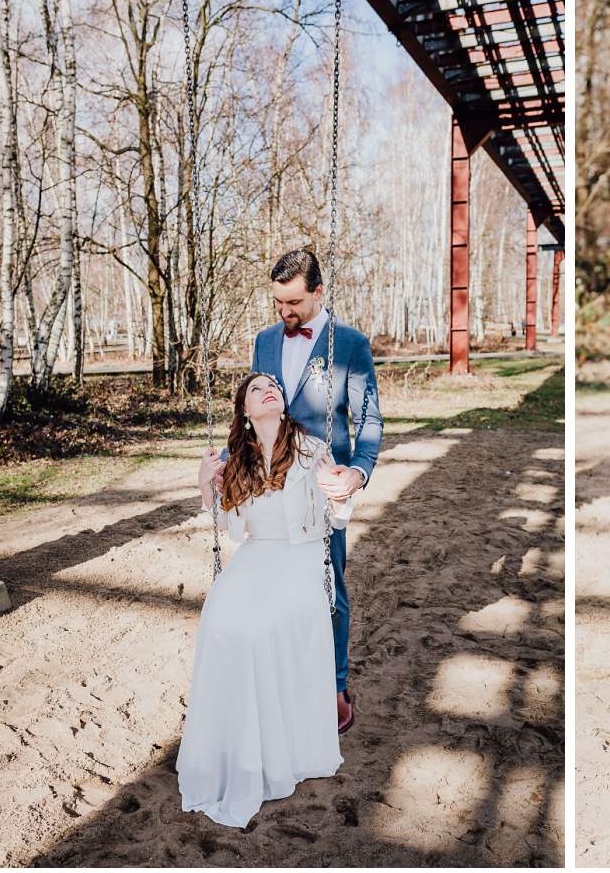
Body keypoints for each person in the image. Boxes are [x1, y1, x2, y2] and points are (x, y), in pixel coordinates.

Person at [178, 373, 352, 828]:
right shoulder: (237, 460)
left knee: (257, 633)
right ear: (245, 412)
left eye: (272, 385)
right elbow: (228, 522)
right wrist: (204, 485)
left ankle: (273, 754)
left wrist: (343, 489)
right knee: (218, 623)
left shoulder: (312, 449)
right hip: (257, 555)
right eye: (256, 390)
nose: (267, 390)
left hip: (302, 557)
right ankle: (229, 749)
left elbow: (336, 513)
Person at [248, 249, 383, 733]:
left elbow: (368, 418)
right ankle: (285, 676)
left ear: (319, 293)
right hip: (269, 486)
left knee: (329, 588)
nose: (285, 313)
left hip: (322, 486)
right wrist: (228, 463)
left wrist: (358, 471)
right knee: (274, 586)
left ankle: (334, 683)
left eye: (295, 303)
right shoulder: (264, 341)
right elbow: (251, 414)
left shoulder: (348, 343)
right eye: (279, 302)